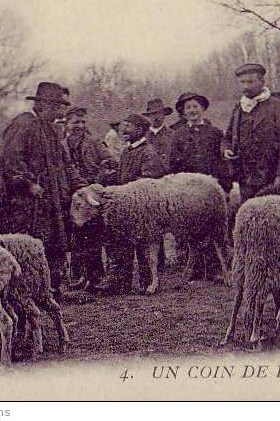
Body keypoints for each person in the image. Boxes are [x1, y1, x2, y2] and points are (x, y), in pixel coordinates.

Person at [0, 82, 76, 292]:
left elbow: (61, 162)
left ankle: (50, 287)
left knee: (51, 241)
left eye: (59, 108)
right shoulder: (23, 124)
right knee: (28, 242)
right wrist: (28, 184)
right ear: (42, 105)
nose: (58, 112)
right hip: (25, 200)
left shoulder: (50, 128)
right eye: (55, 107)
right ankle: (25, 288)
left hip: (49, 198)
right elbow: (11, 160)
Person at [96, 113, 167, 295]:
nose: (123, 130)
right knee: (122, 243)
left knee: (144, 243)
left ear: (141, 130)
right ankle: (120, 282)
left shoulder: (148, 152)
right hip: (127, 207)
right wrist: (108, 175)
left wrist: (125, 192)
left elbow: (148, 180)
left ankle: (147, 281)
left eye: (128, 126)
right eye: (123, 126)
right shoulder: (128, 151)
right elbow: (121, 176)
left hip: (143, 208)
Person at [169, 92, 231, 280]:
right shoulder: (178, 135)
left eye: (195, 107)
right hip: (189, 191)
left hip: (211, 189)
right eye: (188, 108)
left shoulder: (215, 133)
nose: (192, 111)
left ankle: (215, 269)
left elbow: (222, 161)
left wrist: (224, 186)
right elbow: (174, 165)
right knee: (192, 228)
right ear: (183, 112)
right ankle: (195, 270)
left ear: (202, 109)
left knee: (213, 227)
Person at [222, 63, 280, 203]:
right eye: (242, 82)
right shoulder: (239, 108)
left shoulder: (278, 106)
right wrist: (226, 149)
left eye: (250, 82)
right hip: (245, 179)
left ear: (262, 82)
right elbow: (227, 137)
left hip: (271, 178)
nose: (246, 86)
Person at [63, 106, 115, 291]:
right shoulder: (61, 145)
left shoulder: (94, 142)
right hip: (70, 197)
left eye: (83, 122)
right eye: (75, 122)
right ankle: (78, 275)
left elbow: (110, 162)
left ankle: (96, 276)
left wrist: (99, 177)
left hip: (91, 196)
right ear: (66, 123)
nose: (80, 126)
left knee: (92, 237)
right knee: (76, 238)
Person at [143, 98, 175, 167]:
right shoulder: (143, 136)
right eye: (152, 114)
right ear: (148, 117)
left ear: (164, 115)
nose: (156, 117)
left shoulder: (173, 135)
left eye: (159, 113)